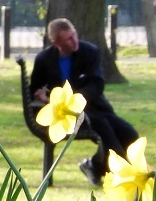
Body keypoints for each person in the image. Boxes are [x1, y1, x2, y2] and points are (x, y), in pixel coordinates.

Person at [29, 18, 139, 186]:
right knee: (106, 131)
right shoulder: (44, 59)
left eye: (74, 35)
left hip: (94, 107)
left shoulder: (89, 52)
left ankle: (93, 165)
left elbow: (97, 84)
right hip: (67, 116)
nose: (74, 41)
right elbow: (35, 88)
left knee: (129, 134)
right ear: (56, 42)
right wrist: (42, 96)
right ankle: (122, 174)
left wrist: (76, 99)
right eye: (68, 39)